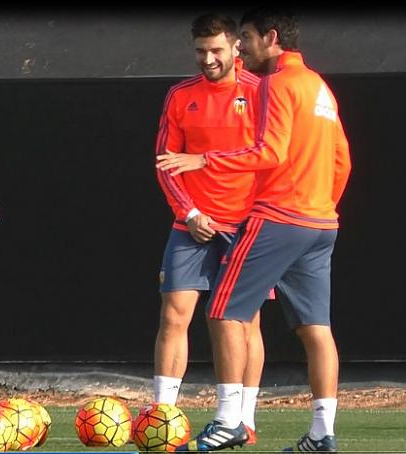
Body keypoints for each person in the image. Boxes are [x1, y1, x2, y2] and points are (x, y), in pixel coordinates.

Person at [157, 8, 352, 452]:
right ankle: (323, 434)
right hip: (322, 223)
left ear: (272, 37)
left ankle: (230, 421)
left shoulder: (277, 84)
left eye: (245, 38)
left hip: (279, 217)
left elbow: (270, 152)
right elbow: (342, 159)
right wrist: (325, 205)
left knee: (224, 312)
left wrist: (204, 160)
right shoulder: (320, 87)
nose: (242, 47)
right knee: (316, 328)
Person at [152, 13, 264, 446]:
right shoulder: (180, 95)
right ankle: (164, 419)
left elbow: (271, 157)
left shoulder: (261, 93)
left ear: (237, 47)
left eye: (216, 50)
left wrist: (257, 216)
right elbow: (165, 164)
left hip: (248, 225)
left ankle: (241, 419)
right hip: (192, 223)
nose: (208, 59)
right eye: (201, 51)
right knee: (173, 316)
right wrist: (192, 212)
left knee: (244, 323)